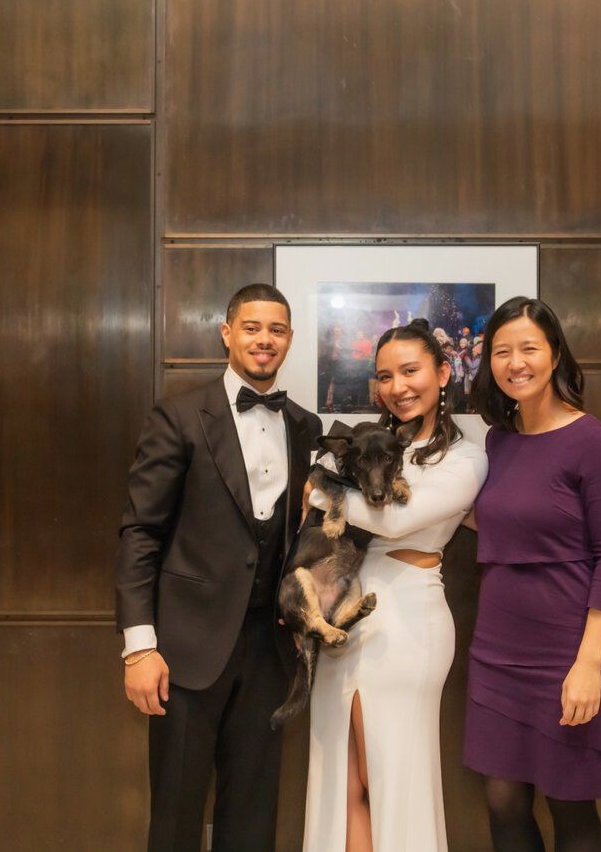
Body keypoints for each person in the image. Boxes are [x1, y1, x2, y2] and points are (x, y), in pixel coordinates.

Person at [116, 283, 323, 852]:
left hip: (270, 647)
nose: (264, 340)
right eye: (252, 328)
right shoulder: (179, 415)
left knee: (254, 812)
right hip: (185, 648)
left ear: (289, 340)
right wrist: (139, 647)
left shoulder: (305, 426)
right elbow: (140, 534)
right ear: (227, 333)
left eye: (276, 330)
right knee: (177, 811)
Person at [303, 319, 489, 852]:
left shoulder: (467, 456)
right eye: (384, 376)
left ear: (444, 373)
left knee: (395, 779)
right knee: (345, 777)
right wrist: (323, 479)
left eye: (410, 371)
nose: (397, 386)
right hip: (345, 613)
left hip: (409, 619)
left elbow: (392, 522)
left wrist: (318, 492)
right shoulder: (365, 443)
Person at [463, 297, 601, 852]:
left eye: (529, 348)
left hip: (567, 651)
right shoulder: (498, 441)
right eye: (502, 351)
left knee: (569, 801)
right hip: (497, 648)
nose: (516, 362)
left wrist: (588, 665)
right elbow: (491, 520)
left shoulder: (593, 441)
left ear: (555, 354)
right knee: (503, 800)